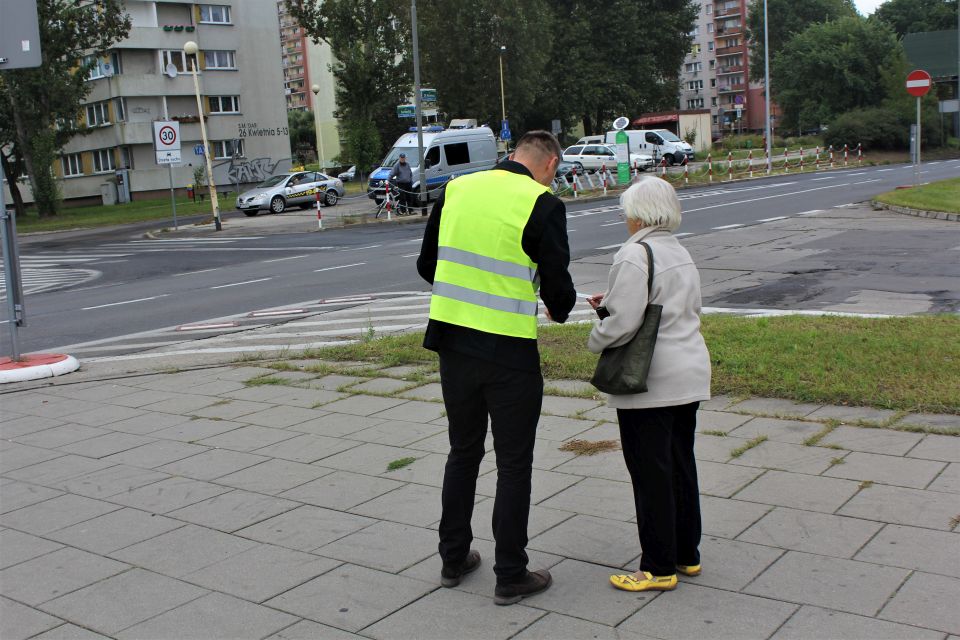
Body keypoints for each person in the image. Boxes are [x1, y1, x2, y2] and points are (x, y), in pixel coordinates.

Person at [417, 131, 576, 606]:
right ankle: (510, 573)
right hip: (509, 353)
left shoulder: (457, 189)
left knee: (463, 452)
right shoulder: (542, 203)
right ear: (549, 164)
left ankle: (452, 559)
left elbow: (428, 265)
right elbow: (560, 295)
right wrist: (550, 303)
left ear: (513, 154)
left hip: (453, 344)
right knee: (513, 464)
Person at [586, 176, 711, 593]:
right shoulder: (679, 251)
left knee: (649, 473)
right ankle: (686, 554)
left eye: (626, 212)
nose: (625, 219)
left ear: (638, 216)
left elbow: (623, 323)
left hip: (651, 380)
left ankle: (657, 567)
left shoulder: (634, 253)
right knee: (680, 465)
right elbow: (682, 307)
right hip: (689, 370)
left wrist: (596, 336)